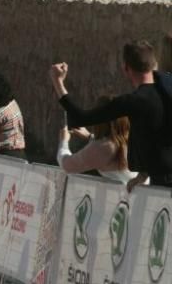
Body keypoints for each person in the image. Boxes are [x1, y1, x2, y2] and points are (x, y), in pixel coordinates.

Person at [50, 41, 172, 189]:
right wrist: (143, 174)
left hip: (163, 184)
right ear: (155, 65)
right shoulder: (166, 88)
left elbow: (81, 117)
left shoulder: (134, 101)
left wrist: (58, 81)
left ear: (126, 69)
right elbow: (157, 134)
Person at [56, 97, 136, 184]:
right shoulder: (132, 139)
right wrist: (89, 136)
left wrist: (63, 141)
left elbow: (67, 165)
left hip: (124, 196)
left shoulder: (104, 147)